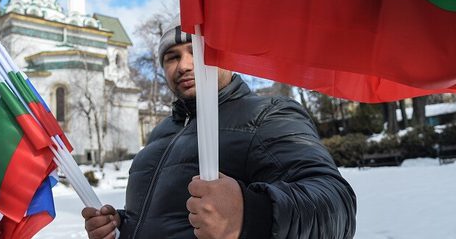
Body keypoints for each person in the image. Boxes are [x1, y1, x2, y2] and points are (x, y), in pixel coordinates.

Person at [82, 15, 356, 238]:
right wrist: (120, 227)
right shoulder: (161, 132)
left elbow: (336, 207)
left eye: (196, 51)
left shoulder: (267, 114)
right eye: (172, 57)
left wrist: (252, 214)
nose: (184, 66)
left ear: (224, 58)